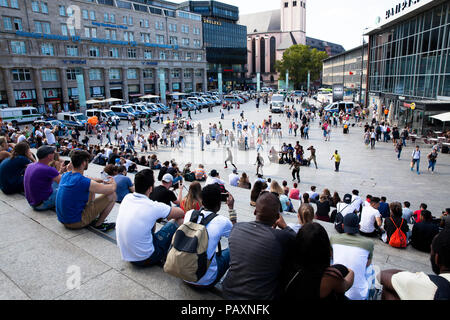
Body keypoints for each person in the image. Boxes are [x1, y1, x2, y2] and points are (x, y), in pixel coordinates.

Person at [222, 192, 296, 300]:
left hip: (229, 292)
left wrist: (231, 208)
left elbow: (236, 226)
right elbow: (300, 241)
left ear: (255, 211)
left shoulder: (237, 228)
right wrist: (285, 226)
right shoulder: (281, 237)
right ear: (277, 217)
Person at [116, 169, 185, 267]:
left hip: (127, 254)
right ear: (150, 188)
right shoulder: (153, 206)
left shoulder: (127, 198)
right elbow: (181, 212)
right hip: (145, 258)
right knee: (179, 220)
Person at [283, 222, 355, 300]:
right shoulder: (329, 277)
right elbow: (345, 286)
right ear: (325, 249)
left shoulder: (286, 264)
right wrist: (350, 271)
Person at [183, 184, 236, 288]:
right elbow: (237, 236)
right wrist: (231, 208)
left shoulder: (189, 213)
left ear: (202, 201)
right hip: (205, 281)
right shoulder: (223, 222)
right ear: (219, 204)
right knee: (231, 250)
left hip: (182, 273)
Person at [55, 150, 116, 232]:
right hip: (75, 222)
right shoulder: (83, 181)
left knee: (91, 189)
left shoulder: (66, 175)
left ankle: (92, 215)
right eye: (87, 161)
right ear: (84, 163)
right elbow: (111, 189)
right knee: (112, 195)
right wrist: (113, 182)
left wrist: (102, 180)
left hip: (63, 219)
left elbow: (88, 179)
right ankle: (99, 225)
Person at [380, 229, 450, 300]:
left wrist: (415, 276)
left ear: (437, 258)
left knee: (389, 289)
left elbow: (381, 275)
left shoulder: (430, 285)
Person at [330, 213, 375, 300]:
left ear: (342, 226)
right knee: (371, 268)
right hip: (359, 295)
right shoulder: (369, 243)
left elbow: (331, 256)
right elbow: (367, 264)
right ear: (359, 227)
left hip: (336, 290)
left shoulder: (334, 238)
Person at [23, 145, 66, 211]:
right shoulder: (49, 169)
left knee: (56, 182)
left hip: (33, 202)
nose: (54, 154)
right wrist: (70, 171)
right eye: (53, 153)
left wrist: (60, 172)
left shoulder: (31, 165)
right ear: (49, 156)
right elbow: (64, 183)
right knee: (68, 189)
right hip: (42, 204)